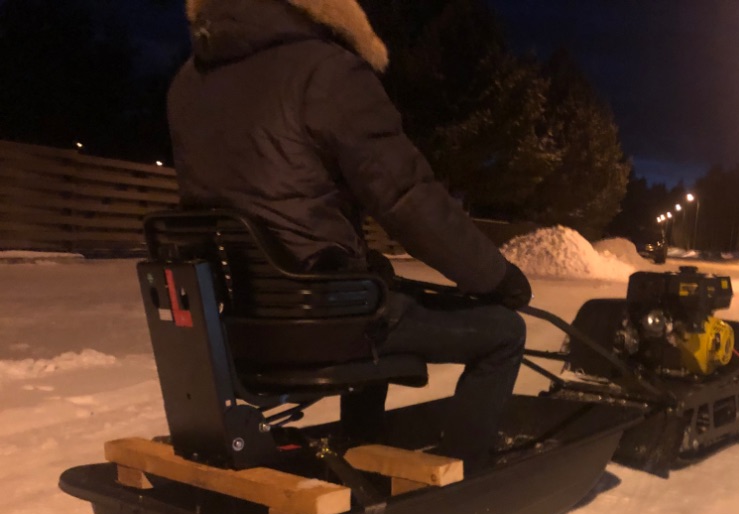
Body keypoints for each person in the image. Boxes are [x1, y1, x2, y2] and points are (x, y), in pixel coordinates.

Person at [168, 0, 531, 472]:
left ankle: (361, 444)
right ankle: (468, 480)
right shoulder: (326, 72)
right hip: (321, 323)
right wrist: (495, 277)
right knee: (504, 333)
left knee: (374, 284)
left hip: (234, 325)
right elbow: (407, 198)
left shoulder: (187, 84)